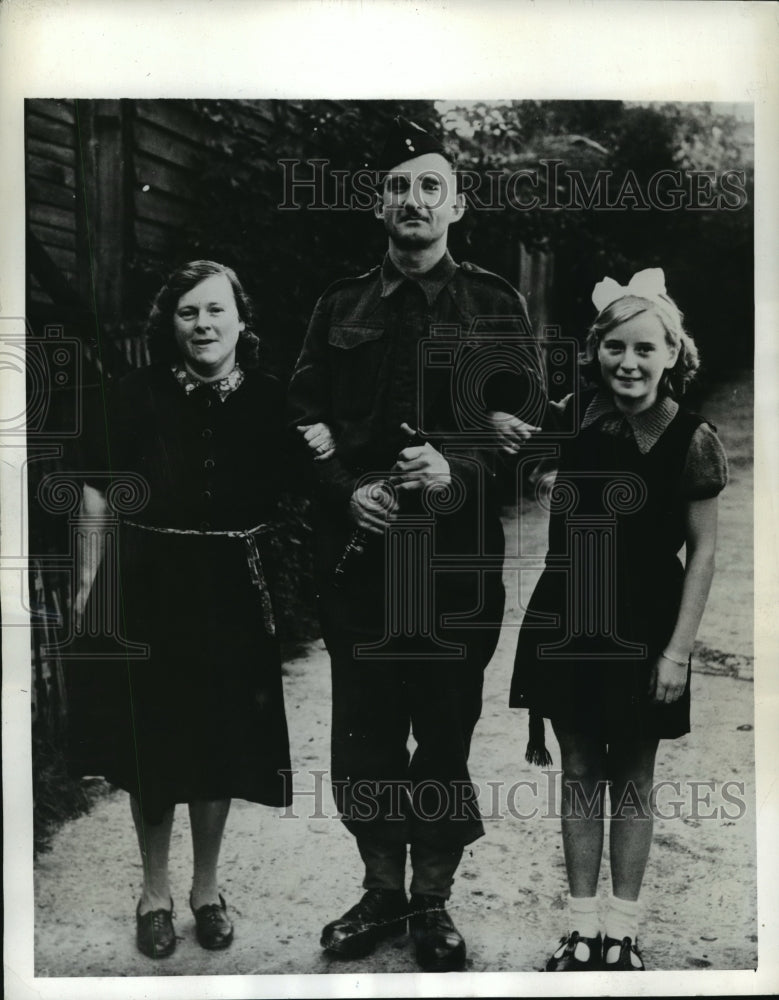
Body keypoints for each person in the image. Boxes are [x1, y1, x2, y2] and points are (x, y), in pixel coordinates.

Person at [287, 117, 545, 972]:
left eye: (429, 186)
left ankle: (432, 903)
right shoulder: (338, 305)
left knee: (441, 731)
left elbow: (525, 427)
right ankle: (380, 895)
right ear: (378, 206)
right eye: (398, 187)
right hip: (361, 560)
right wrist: (344, 491)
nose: (412, 200)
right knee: (363, 731)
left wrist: (456, 466)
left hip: (455, 561)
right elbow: (301, 416)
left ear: (456, 206)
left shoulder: (494, 304)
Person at [67, 260, 292, 959]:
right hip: (149, 585)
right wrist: (87, 584)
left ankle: (206, 890)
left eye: (216, 310)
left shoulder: (270, 401)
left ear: (240, 320)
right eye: (189, 311)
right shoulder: (130, 397)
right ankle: (155, 892)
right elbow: (96, 492)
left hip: (230, 588)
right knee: (155, 744)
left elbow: (309, 478)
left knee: (220, 742)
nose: (203, 324)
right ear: (171, 322)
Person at [509, 269, 727, 971]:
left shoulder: (691, 438)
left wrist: (677, 652)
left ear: (672, 354)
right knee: (577, 770)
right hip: (568, 617)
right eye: (614, 348)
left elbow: (701, 554)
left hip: (645, 627)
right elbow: (520, 464)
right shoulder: (572, 418)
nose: (628, 363)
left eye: (644, 349)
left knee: (632, 774)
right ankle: (579, 930)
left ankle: (622, 930)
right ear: (594, 351)